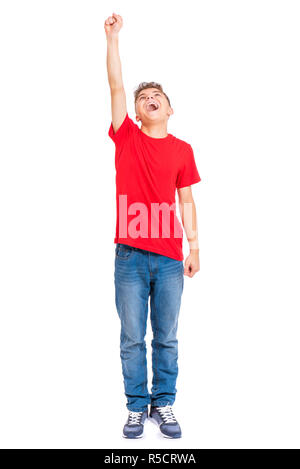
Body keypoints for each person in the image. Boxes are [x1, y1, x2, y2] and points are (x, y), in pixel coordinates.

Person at [105, 13, 201, 439]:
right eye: (144, 96)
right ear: (138, 113)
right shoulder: (127, 136)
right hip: (128, 256)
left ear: (169, 107)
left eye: (157, 94)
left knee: (166, 337)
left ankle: (163, 403)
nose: (149, 98)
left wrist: (193, 249)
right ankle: (135, 406)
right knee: (131, 337)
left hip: (167, 260)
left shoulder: (183, 150)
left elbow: (187, 200)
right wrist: (112, 40)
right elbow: (116, 86)